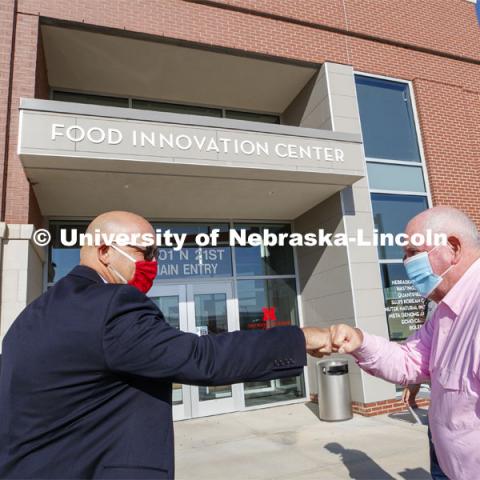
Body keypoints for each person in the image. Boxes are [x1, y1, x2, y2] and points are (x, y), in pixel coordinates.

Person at [0, 211, 331, 479]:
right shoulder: (111, 305)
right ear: (104, 252)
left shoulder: (35, 313)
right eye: (146, 252)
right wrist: (301, 338)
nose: (153, 262)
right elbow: (202, 358)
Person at [328, 206, 480, 479]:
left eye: (413, 252)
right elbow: (410, 360)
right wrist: (359, 341)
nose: (405, 262)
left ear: (453, 248)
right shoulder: (446, 310)